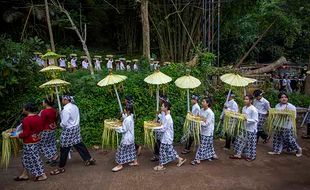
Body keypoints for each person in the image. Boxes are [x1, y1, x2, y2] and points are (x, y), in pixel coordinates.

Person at [50, 95, 96, 176]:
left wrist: (60, 123)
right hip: (76, 127)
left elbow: (64, 123)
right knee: (78, 144)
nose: (61, 101)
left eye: (62, 100)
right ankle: (89, 158)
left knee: (64, 148)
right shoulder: (75, 106)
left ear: (65, 100)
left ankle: (61, 167)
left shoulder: (66, 109)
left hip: (69, 129)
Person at [14, 103, 47, 181]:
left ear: (27, 109)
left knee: (34, 158)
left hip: (29, 143)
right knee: (26, 158)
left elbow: (26, 133)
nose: (23, 109)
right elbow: (41, 128)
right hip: (37, 140)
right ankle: (25, 174)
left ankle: (43, 175)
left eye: (23, 108)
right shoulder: (39, 117)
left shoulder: (26, 120)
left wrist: (18, 135)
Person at [153, 102, 187, 171]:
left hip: (167, 137)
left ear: (166, 108)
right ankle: (180, 159)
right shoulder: (166, 116)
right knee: (169, 151)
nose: (161, 107)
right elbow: (162, 126)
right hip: (166, 137)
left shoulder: (167, 117)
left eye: (162, 106)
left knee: (163, 151)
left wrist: (154, 128)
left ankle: (161, 165)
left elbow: (163, 129)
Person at [268, 92, 302, 157]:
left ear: (287, 98)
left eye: (285, 97)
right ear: (279, 99)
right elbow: (275, 114)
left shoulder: (291, 107)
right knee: (277, 138)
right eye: (282, 97)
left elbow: (294, 117)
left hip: (287, 126)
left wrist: (285, 115)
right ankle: (276, 150)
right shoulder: (277, 105)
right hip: (277, 125)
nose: (284, 98)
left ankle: (298, 149)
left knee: (289, 139)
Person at [230, 95, 258, 161]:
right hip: (243, 127)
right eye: (244, 99)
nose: (245, 100)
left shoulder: (253, 109)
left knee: (250, 143)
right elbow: (242, 116)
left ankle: (251, 157)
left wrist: (247, 119)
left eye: (247, 99)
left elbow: (256, 120)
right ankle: (238, 154)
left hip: (251, 129)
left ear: (251, 101)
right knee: (239, 141)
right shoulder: (244, 108)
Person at [191, 97, 217, 165]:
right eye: (202, 101)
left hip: (208, 131)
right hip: (202, 130)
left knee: (202, 145)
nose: (202, 103)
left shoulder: (210, 113)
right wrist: (193, 117)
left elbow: (206, 124)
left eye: (203, 101)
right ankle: (212, 155)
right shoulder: (201, 110)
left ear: (207, 103)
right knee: (209, 144)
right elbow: (198, 117)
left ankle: (197, 158)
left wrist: (198, 121)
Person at [112, 105, 138, 172]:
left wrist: (115, 128)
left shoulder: (127, 119)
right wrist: (123, 116)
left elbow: (124, 129)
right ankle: (135, 161)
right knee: (131, 150)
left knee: (120, 151)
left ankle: (119, 165)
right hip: (131, 137)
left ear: (128, 111)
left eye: (125, 110)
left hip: (127, 138)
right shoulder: (131, 116)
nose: (124, 110)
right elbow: (125, 120)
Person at [39, 98, 58, 166]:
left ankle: (53, 157)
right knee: (51, 144)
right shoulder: (54, 110)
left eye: (43, 102)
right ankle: (53, 157)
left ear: (46, 103)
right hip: (52, 129)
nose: (42, 103)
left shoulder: (44, 112)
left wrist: (39, 132)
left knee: (42, 145)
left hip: (46, 129)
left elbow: (42, 122)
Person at [150, 95, 168, 162]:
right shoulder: (162, 109)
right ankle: (157, 155)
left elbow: (163, 120)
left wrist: (158, 115)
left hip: (162, 128)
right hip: (160, 127)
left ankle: (159, 156)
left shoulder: (164, 110)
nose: (159, 100)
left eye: (160, 99)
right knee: (157, 141)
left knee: (159, 142)